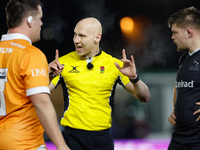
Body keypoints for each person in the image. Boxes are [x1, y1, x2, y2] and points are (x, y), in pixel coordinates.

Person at [50, 17, 150, 150]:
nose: (75, 40)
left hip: (103, 140)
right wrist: (49, 74)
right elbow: (41, 93)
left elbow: (145, 97)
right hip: (72, 138)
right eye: (75, 34)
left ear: (97, 38)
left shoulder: (114, 65)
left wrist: (134, 78)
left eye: (81, 36)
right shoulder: (62, 63)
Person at [0, 0, 70, 149]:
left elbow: (12, 86)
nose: (42, 23)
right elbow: (41, 103)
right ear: (30, 21)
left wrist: (46, 76)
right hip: (25, 143)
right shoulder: (30, 54)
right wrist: (62, 146)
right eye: (40, 18)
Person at [167, 6, 200, 150]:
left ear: (189, 32)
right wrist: (175, 110)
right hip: (179, 137)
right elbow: (178, 86)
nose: (172, 37)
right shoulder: (183, 59)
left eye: (175, 33)